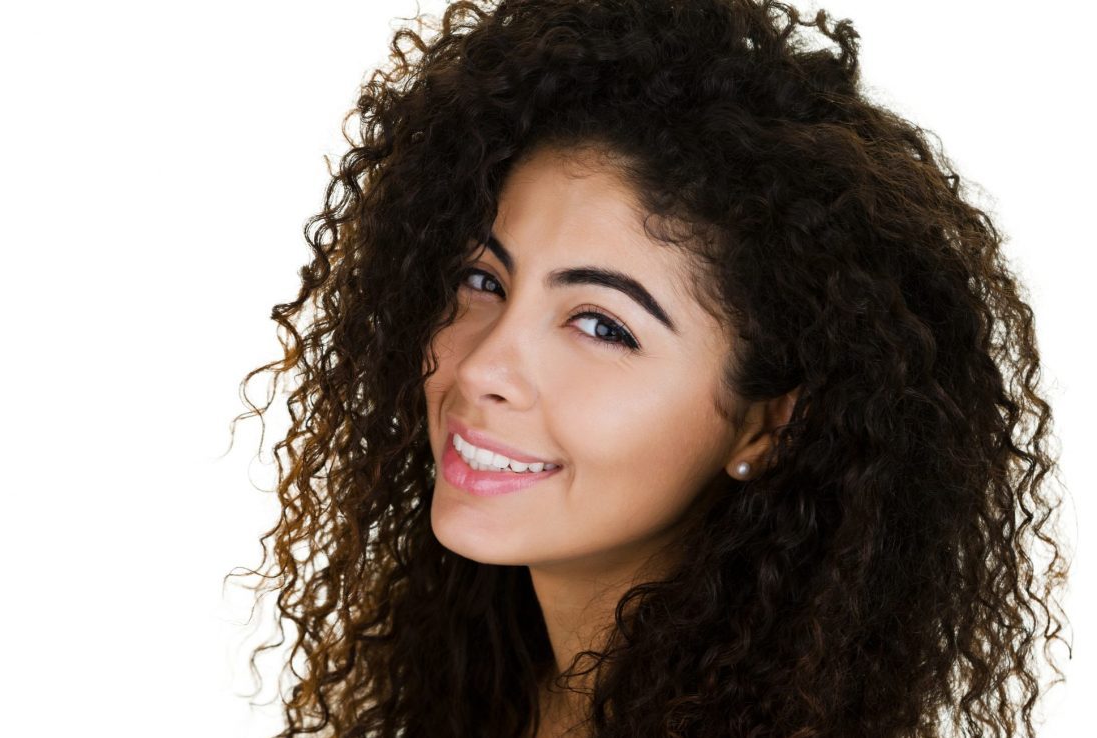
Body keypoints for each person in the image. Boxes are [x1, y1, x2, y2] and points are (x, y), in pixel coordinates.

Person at [229, 1, 1071, 736]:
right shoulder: (491, 690)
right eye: (484, 280)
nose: (486, 365)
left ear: (766, 422)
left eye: (600, 325)